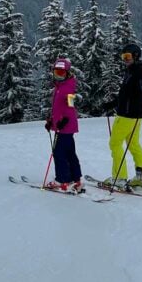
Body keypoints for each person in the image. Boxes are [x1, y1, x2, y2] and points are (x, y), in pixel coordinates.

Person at [105, 43, 142, 190]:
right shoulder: (132, 71)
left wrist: (137, 111)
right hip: (133, 115)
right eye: (123, 57)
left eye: (127, 56)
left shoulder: (139, 72)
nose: (125, 59)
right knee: (133, 144)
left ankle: (119, 177)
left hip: (127, 116)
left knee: (115, 143)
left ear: (136, 56)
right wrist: (112, 104)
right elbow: (126, 95)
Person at [44, 58, 84, 193]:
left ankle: (62, 180)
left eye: (61, 73)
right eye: (56, 73)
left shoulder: (68, 88)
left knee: (59, 153)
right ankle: (75, 178)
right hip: (63, 126)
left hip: (65, 126)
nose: (58, 76)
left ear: (67, 73)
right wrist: (51, 121)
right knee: (69, 152)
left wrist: (65, 120)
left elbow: (70, 106)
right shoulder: (59, 87)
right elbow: (57, 108)